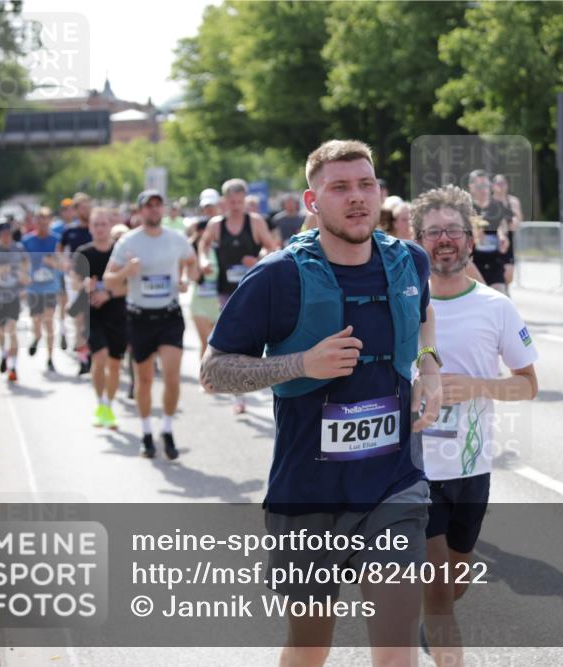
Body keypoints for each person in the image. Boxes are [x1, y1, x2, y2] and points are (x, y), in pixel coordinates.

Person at [200, 139, 442, 666]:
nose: (356, 198)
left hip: (393, 484)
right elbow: (213, 371)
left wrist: (429, 367)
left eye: (365, 184)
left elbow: (423, 315)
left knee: (398, 651)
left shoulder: (411, 263)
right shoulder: (278, 276)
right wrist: (299, 364)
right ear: (313, 201)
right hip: (308, 493)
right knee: (310, 649)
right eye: (339, 188)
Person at [411, 185, 539, 666]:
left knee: (454, 584)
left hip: (470, 471)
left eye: (454, 231)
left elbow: (528, 385)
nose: (444, 240)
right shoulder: (400, 304)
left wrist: (477, 386)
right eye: (434, 231)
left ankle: (429, 621)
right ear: (417, 238)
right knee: (440, 589)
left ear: (470, 239)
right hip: (413, 472)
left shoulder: (495, 307)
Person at [104, 190, 197, 460]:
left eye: (158, 205)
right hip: (139, 317)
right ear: (140, 211)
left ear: (163, 210)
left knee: (171, 376)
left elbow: (191, 264)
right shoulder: (128, 242)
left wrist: (186, 281)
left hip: (169, 316)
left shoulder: (176, 239)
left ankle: (166, 429)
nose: (154, 210)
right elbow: (109, 280)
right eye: (149, 206)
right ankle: (146, 432)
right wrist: (125, 272)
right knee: (143, 380)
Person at [198, 178, 279, 414]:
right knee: (232, 340)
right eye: (231, 201)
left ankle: (265, 375)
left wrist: (258, 258)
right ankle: (238, 394)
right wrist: (204, 261)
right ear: (224, 201)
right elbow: (203, 245)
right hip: (226, 291)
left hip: (253, 290)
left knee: (257, 336)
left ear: (244, 199)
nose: (235, 205)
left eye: (239, 200)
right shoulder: (216, 224)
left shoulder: (254, 222)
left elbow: (271, 247)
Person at [73, 208, 128, 428]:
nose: (100, 229)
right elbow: (74, 282)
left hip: (117, 312)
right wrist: (85, 285)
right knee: (100, 357)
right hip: (92, 314)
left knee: (115, 365)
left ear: (110, 226)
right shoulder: (83, 252)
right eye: (95, 225)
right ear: (90, 227)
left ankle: (108, 405)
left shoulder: (120, 252)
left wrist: (108, 293)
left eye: (104, 224)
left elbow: (129, 287)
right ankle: (99, 403)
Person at [0, 222, 30, 383]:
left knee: (12, 329)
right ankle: (3, 354)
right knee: (1, 330)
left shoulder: (19, 249)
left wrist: (25, 281)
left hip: (14, 296)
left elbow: (26, 268)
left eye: (9, 234)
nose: (7, 237)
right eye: (3, 234)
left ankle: (13, 367)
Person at [21, 207, 63, 372]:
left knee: (49, 321)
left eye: (46, 221)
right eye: (39, 220)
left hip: (51, 287)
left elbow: (62, 263)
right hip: (33, 287)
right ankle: (37, 337)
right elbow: (22, 263)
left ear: (50, 221)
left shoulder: (57, 240)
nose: (43, 224)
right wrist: (24, 278)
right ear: (36, 222)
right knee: (36, 321)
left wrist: (52, 262)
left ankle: (50, 358)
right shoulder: (27, 240)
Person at [59, 192, 94, 374]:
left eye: (88, 206)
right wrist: (65, 264)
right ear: (75, 210)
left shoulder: (96, 228)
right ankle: (83, 360)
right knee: (79, 318)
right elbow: (60, 251)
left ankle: (92, 350)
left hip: (94, 278)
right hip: (76, 278)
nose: (85, 210)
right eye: (82, 207)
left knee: (93, 319)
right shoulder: (69, 231)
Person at [187, 188, 222, 361]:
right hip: (200, 299)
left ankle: (217, 378)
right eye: (206, 207)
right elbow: (190, 274)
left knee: (219, 346)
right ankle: (205, 380)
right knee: (205, 343)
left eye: (212, 206)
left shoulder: (226, 231)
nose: (209, 210)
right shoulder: (194, 240)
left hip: (220, 300)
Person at [468, 170, 512, 294]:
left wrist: (503, 237)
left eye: (486, 186)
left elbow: (502, 225)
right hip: (473, 264)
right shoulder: (465, 208)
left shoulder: (497, 206)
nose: (484, 190)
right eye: (479, 186)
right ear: (471, 187)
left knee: (498, 296)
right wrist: (473, 235)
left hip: (494, 262)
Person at [492, 174, 523, 289]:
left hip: (507, 240)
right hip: (492, 240)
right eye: (498, 183)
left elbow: (517, 219)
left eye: (503, 183)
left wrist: (509, 223)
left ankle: (504, 288)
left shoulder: (512, 201)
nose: (500, 186)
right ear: (493, 186)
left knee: (509, 275)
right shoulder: (489, 202)